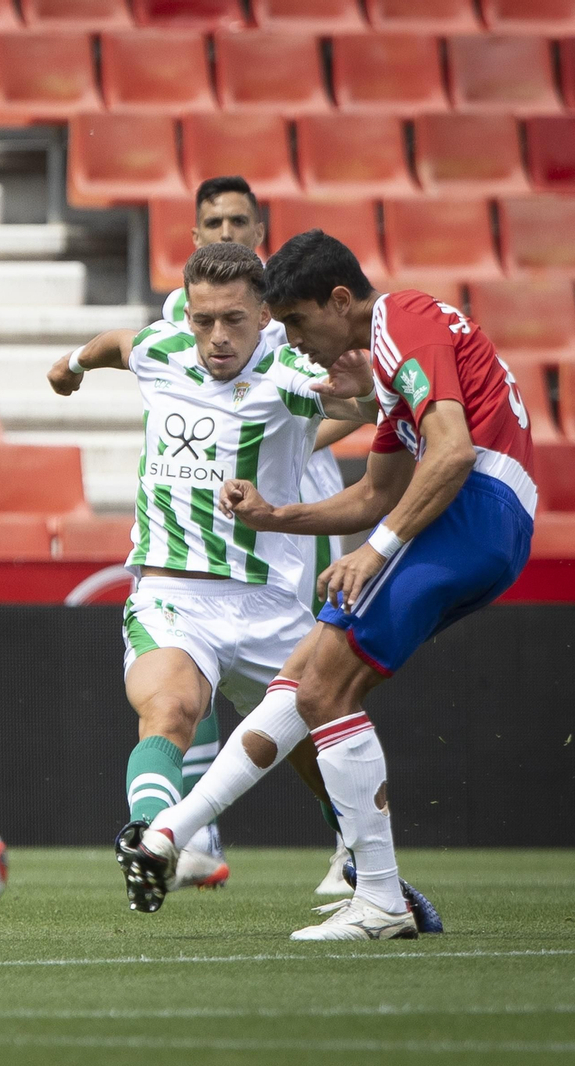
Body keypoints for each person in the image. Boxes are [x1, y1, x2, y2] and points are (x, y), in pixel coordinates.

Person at [122, 230, 532, 940]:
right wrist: (275, 515)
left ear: (340, 301)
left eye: (301, 324)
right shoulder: (394, 377)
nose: (299, 345)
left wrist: (375, 553)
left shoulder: (401, 316)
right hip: (485, 523)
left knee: (323, 688)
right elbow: (374, 494)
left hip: (473, 509)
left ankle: (377, 897)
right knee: (308, 682)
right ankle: (165, 839)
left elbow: (454, 452)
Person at [46, 242, 377, 908]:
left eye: (233, 320)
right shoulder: (165, 349)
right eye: (203, 320)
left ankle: (366, 864)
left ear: (265, 315)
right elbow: (120, 343)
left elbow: (354, 407)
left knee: (322, 745)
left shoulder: (286, 370)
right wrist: (75, 364)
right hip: (173, 594)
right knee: (169, 709)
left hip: (267, 603)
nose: (217, 337)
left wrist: (357, 397)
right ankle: (148, 841)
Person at [161, 177, 362, 893]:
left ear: (260, 230)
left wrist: (297, 443)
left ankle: (351, 834)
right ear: (193, 235)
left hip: (296, 506)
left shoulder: (288, 321)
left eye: (237, 220)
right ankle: (195, 837)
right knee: (193, 665)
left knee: (308, 675)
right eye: (211, 220)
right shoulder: (187, 317)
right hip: (219, 512)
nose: (224, 230)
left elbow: (359, 399)